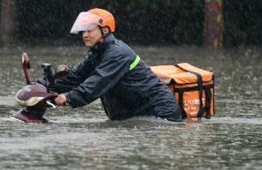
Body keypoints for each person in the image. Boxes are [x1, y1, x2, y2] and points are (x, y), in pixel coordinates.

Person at [50, 8, 183, 121]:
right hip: (133, 115)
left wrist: (68, 98)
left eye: (89, 30)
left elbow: (98, 83)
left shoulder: (117, 53)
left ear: (105, 31)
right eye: (83, 31)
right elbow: (75, 76)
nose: (85, 35)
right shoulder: (98, 53)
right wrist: (44, 86)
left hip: (160, 114)